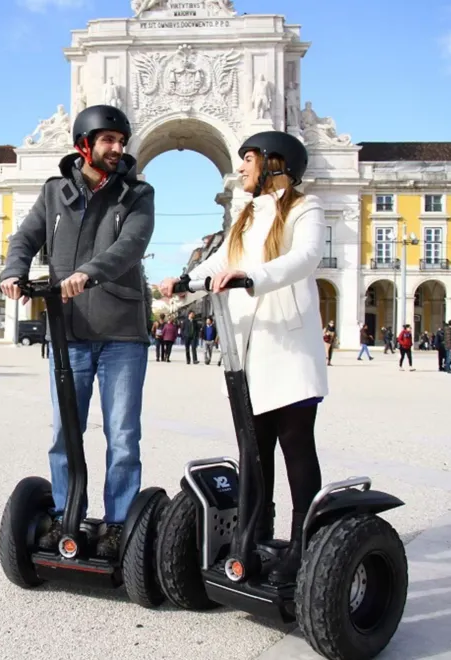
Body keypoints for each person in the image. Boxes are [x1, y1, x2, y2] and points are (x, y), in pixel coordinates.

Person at [160, 130, 327, 585]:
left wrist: (252, 275)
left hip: (288, 347)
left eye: (248, 158)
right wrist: (183, 279)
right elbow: (221, 262)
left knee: (296, 449)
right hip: (247, 350)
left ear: (276, 162)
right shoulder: (247, 213)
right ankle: (254, 537)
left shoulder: (304, 207)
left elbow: (306, 256)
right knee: (253, 453)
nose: (240, 167)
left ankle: (303, 543)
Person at [0, 104, 155, 559]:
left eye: (121, 141)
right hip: (69, 334)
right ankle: (68, 515)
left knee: (123, 435)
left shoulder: (137, 194)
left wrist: (89, 272)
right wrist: (14, 270)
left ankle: (118, 525)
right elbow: (25, 237)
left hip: (122, 334)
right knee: (65, 432)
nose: (116, 148)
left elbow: (131, 245)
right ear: (84, 144)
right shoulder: (54, 194)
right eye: (107, 140)